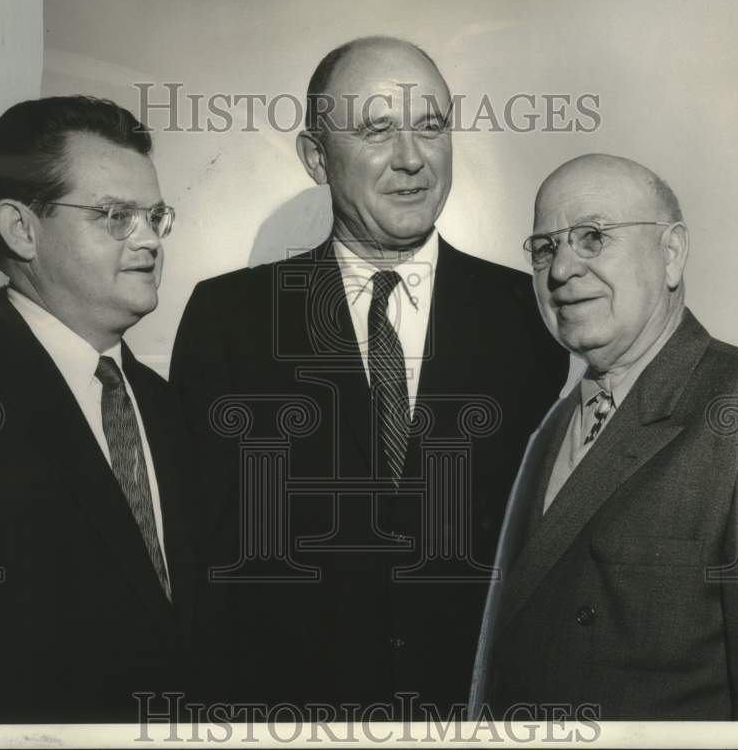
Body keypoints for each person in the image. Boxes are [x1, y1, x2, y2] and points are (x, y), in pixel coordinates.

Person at [170, 36, 568, 715]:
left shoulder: (532, 318)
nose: (412, 158)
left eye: (432, 126)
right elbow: (200, 564)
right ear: (315, 156)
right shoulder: (228, 319)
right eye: (378, 129)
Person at [470, 153, 738, 720]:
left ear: (671, 253)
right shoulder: (551, 427)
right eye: (545, 248)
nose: (561, 269)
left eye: (592, 237)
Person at [0, 96, 201, 723]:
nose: (148, 241)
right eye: (114, 215)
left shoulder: (168, 407)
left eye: (154, 216)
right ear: (21, 228)